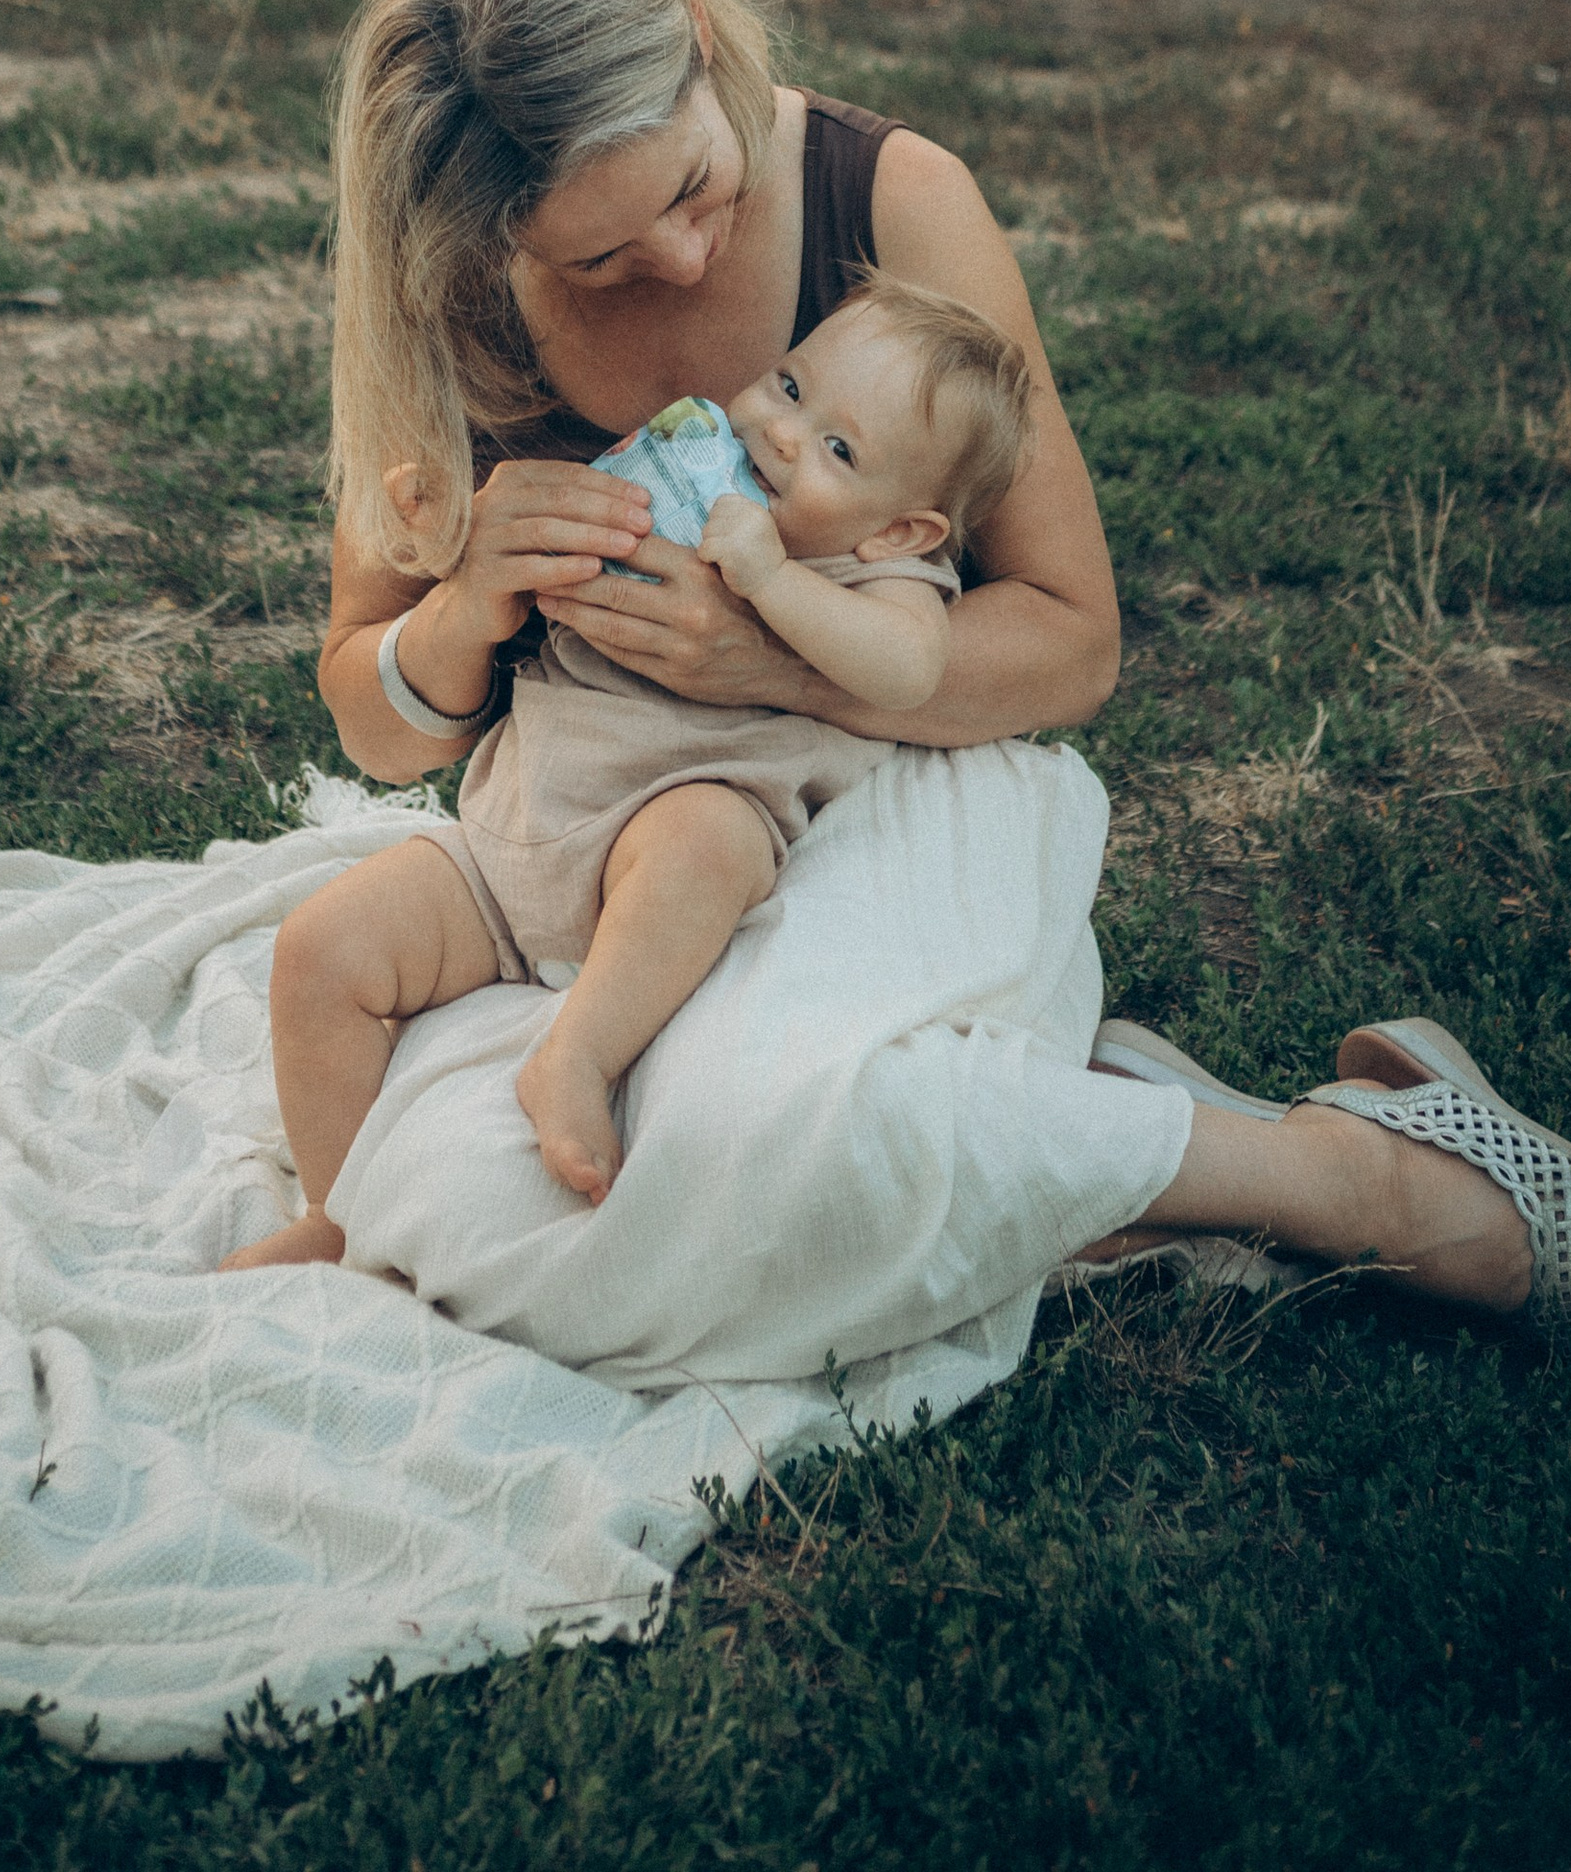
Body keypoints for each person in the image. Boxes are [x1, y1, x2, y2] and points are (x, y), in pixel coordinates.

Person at [276, 0, 1571, 1368]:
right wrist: (460, 604)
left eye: (692, 187)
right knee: (582, 1208)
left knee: (761, 1141)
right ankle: (1081, 1165)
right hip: (570, 841)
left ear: (696, 27)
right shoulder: (450, 284)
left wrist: (759, 659)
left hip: (889, 775)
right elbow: (378, 722)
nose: (685, 261)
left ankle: (1352, 1176)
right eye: (603, 258)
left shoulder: (889, 203)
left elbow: (1072, 646)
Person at [221, 277, 1029, 1261]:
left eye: (838, 449)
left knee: (706, 843)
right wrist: (462, 538)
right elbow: (564, 554)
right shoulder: (684, 465)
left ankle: (575, 1057)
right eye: (789, 388)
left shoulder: (880, 575)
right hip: (509, 843)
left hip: (664, 837)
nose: (781, 435)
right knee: (318, 950)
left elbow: (908, 671)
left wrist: (770, 580)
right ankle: (336, 1214)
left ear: (901, 527)